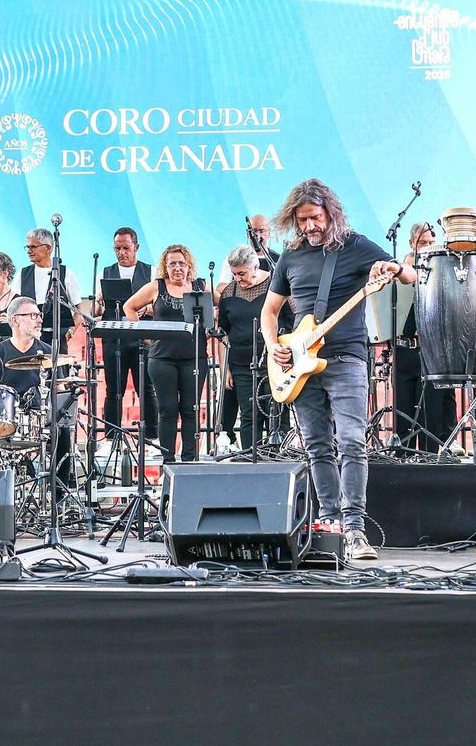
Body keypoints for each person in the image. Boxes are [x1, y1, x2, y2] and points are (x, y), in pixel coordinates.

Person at [263, 179, 415, 561]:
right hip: (299, 363)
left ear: (330, 213)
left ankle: (355, 529)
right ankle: (329, 524)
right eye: (302, 220)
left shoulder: (356, 246)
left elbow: (408, 276)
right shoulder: (290, 256)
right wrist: (272, 344)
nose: (309, 226)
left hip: (346, 358)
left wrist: (392, 267)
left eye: (315, 218)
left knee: (351, 442)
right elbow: (270, 310)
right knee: (316, 446)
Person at [0, 295, 76, 483]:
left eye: (39, 315)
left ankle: (59, 489)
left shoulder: (48, 352)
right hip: (7, 416)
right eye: (33, 315)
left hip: (39, 416)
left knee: (62, 429)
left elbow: (60, 391)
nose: (39, 320)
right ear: (15, 320)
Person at [124, 244, 205, 462]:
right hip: (162, 358)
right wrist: (145, 335)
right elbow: (129, 307)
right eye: (172, 264)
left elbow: (221, 302)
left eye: (181, 263)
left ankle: (189, 460)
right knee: (167, 410)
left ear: (189, 265)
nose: (177, 268)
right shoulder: (156, 287)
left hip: (194, 357)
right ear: (165, 266)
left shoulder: (200, 286)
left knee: (190, 410)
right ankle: (168, 460)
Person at [216, 245, 291, 456]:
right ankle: (251, 456)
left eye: (242, 273)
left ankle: (281, 456)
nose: (237, 278)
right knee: (249, 413)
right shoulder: (229, 292)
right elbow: (224, 334)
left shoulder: (276, 286)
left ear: (255, 267)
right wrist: (225, 369)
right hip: (241, 362)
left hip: (275, 360)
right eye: (234, 274)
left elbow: (291, 322)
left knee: (278, 412)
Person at [392, 221, 455, 452]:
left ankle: (431, 454)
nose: (428, 246)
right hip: (404, 348)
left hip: (431, 347)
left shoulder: (441, 270)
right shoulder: (399, 270)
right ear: (411, 243)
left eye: (431, 242)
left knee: (431, 407)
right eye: (423, 243)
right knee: (403, 404)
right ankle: (404, 452)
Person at [98, 226, 155, 439]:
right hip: (114, 338)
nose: (122, 253)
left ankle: (151, 436)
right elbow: (96, 311)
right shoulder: (105, 273)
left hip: (142, 337)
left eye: (126, 248)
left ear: (136, 247)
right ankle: (111, 436)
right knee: (114, 390)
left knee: (146, 388)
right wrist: (98, 304)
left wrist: (145, 309)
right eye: (117, 248)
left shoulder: (151, 272)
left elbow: (160, 304)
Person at [19, 227, 81, 337]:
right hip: (30, 338)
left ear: (48, 248)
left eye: (33, 247)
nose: (29, 251)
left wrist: (71, 332)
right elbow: (14, 305)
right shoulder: (22, 274)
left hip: (59, 337)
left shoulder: (66, 273)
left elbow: (78, 310)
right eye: (27, 247)